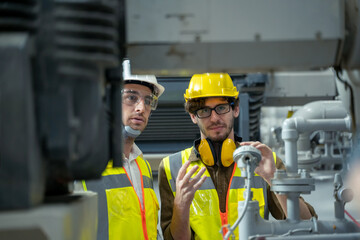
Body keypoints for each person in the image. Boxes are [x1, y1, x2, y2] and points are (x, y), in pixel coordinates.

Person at [158, 73, 317, 240]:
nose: (214, 118)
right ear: (193, 116)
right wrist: (181, 207)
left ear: (235, 109)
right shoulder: (171, 167)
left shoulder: (264, 161)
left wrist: (274, 178)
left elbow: (308, 226)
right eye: (204, 110)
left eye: (221, 108)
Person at [75, 59, 165, 240]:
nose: (141, 108)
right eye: (131, 97)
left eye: (148, 101)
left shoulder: (143, 165)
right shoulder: (81, 164)